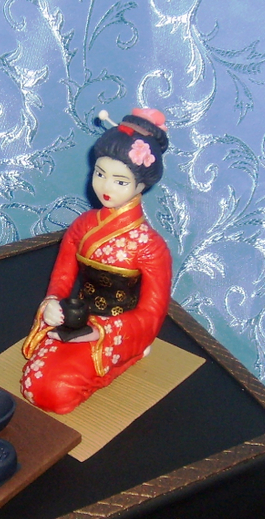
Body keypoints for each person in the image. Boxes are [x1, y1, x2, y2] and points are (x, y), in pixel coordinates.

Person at [21, 107, 173, 414]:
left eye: (120, 181)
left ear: (141, 185)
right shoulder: (82, 225)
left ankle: (130, 356)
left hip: (116, 331)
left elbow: (152, 312)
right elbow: (62, 277)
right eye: (100, 174)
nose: (105, 187)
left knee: (56, 394)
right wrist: (52, 304)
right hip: (74, 318)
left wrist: (103, 332)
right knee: (33, 382)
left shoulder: (150, 246)